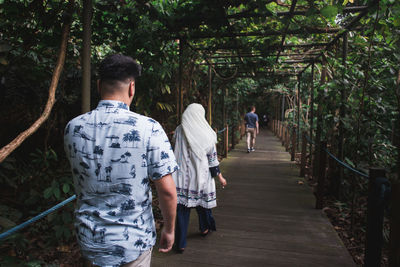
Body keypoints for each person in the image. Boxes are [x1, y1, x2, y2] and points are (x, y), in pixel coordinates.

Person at [64, 54, 178, 267]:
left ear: (99, 85)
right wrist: (169, 230)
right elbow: (168, 191)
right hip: (134, 241)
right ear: (132, 88)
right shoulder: (149, 128)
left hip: (90, 241)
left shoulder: (73, 128)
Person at [172, 103, 227, 253]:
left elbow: (174, 151)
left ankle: (181, 243)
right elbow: (212, 160)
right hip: (201, 178)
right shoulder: (207, 133)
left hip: (181, 179)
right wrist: (220, 177)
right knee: (203, 206)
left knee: (182, 211)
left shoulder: (179, 130)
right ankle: (204, 228)